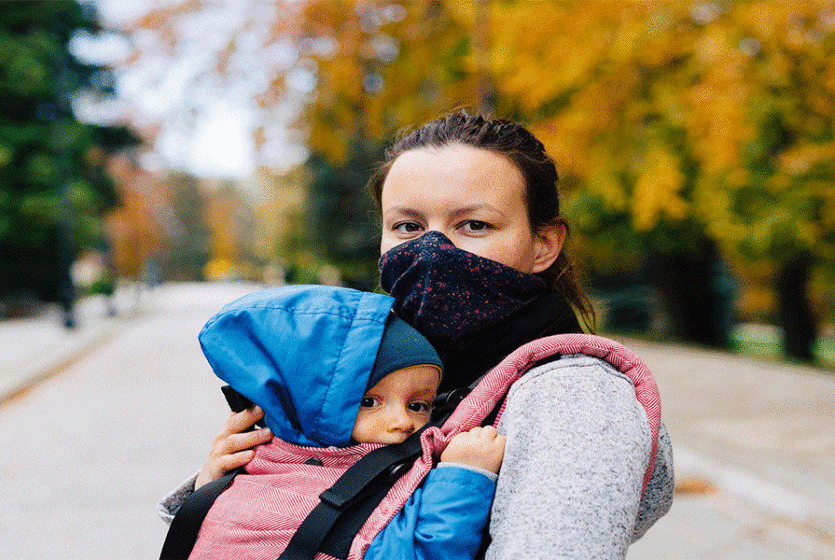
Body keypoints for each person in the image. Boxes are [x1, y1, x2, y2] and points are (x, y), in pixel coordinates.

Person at [160, 111, 674, 559]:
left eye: (473, 224)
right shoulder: (387, 368)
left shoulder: (572, 396)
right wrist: (225, 488)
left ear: (543, 245)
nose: (431, 250)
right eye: (408, 227)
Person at [172, 285, 505, 560]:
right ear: (309, 404)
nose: (403, 421)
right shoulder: (260, 489)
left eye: (418, 405)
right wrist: (464, 478)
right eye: (369, 402)